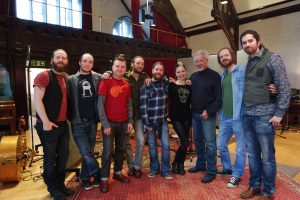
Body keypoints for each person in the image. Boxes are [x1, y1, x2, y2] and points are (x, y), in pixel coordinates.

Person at [239, 30, 291, 200]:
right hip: (248, 115)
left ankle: (268, 192)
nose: (247, 45)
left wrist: (279, 114)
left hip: (264, 116)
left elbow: (284, 87)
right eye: (244, 43)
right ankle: (254, 186)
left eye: (250, 41)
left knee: (267, 157)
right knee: (252, 155)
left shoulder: (273, 58)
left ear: (258, 41)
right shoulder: (249, 61)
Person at [33, 49, 73, 199]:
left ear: (67, 61)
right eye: (58, 57)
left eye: (63, 58)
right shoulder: (44, 75)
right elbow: (37, 100)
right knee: (50, 158)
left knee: (63, 156)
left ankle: (60, 184)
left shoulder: (65, 77)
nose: (61, 60)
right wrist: (46, 121)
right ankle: (53, 188)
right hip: (48, 125)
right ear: (52, 60)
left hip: (62, 125)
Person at [97, 55, 133, 193]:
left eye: (122, 66)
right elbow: (100, 105)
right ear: (112, 68)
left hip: (124, 123)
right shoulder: (105, 82)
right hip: (109, 124)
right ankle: (104, 178)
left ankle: (117, 172)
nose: (119, 69)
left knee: (121, 150)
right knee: (107, 152)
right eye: (117, 66)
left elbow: (129, 104)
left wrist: (130, 121)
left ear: (126, 69)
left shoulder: (126, 84)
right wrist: (105, 124)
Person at [68, 53, 103, 190]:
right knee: (86, 152)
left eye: (90, 62)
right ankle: (98, 173)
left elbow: (112, 73)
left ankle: (84, 178)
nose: (87, 64)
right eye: (85, 61)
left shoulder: (97, 77)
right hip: (78, 122)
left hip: (92, 122)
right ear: (79, 62)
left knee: (87, 152)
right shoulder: (71, 80)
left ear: (92, 64)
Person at [188, 50, 222, 183]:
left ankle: (211, 170)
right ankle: (201, 164)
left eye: (201, 60)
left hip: (207, 115)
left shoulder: (215, 76)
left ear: (206, 61)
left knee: (210, 144)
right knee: (198, 141)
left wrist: (209, 111)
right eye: (196, 61)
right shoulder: (193, 76)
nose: (198, 63)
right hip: (195, 114)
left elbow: (219, 99)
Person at [216, 47, 246, 188]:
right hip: (224, 117)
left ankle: (236, 174)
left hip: (239, 116)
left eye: (226, 55)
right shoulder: (222, 75)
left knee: (240, 148)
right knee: (221, 144)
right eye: (221, 57)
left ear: (232, 56)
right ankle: (227, 168)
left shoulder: (243, 70)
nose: (224, 58)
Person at [140, 61, 173, 180]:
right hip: (150, 122)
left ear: (163, 72)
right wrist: (146, 123)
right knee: (152, 146)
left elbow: (176, 82)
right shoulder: (145, 86)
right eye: (156, 69)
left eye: (161, 70)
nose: (158, 71)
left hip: (163, 120)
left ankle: (166, 170)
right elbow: (143, 106)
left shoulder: (165, 83)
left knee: (166, 145)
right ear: (152, 71)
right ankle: (154, 168)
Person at [123, 56, 149, 178]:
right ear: (132, 64)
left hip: (139, 116)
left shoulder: (145, 77)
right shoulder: (124, 76)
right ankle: (130, 166)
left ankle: (137, 166)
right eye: (138, 63)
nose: (140, 65)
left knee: (140, 140)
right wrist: (107, 73)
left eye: (142, 63)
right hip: (125, 115)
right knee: (126, 143)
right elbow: (112, 73)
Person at [169, 62, 192, 175]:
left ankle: (180, 165)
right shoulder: (171, 85)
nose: (181, 73)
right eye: (178, 72)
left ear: (186, 72)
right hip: (176, 117)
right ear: (175, 74)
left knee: (184, 143)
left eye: (183, 71)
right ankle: (175, 163)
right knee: (185, 142)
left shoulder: (189, 85)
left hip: (187, 117)